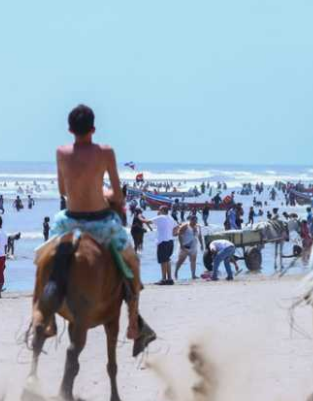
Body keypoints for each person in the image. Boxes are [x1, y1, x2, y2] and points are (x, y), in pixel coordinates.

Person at [50, 104, 156, 354]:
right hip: (100, 221)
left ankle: (42, 314)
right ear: (94, 128)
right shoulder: (105, 152)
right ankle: (133, 323)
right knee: (132, 262)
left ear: (69, 129)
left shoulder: (61, 152)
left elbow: (63, 191)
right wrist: (105, 192)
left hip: (69, 220)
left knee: (46, 256)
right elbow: (117, 194)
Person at [149, 205, 178, 285]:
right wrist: (174, 233)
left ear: (162, 210)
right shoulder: (170, 217)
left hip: (163, 242)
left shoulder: (161, 217)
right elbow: (177, 226)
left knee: (163, 261)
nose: (158, 211)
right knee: (167, 260)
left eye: (159, 209)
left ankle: (163, 279)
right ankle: (169, 279)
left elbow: (147, 221)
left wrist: (139, 217)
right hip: (170, 241)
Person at [174, 215, 204, 280]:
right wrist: (181, 245)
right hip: (185, 246)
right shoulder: (185, 226)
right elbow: (179, 235)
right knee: (181, 260)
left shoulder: (198, 227)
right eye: (193, 221)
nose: (195, 222)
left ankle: (193, 275)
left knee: (193, 260)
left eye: (196, 221)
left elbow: (200, 236)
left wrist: (202, 244)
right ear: (190, 220)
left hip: (194, 246)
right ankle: (176, 272)